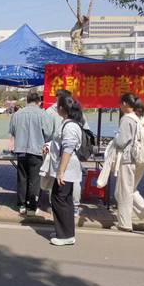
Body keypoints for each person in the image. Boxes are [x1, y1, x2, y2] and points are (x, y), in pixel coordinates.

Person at [113, 93, 144, 232]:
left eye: (120, 103)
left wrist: (115, 138)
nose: (120, 106)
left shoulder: (127, 119)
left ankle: (125, 223)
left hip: (128, 159)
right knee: (128, 190)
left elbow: (121, 142)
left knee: (123, 192)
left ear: (125, 103)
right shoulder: (142, 119)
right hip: (140, 159)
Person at [45, 95, 84, 246]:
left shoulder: (70, 126)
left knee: (60, 199)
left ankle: (65, 235)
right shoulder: (68, 123)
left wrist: (61, 172)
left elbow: (68, 149)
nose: (56, 108)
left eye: (57, 106)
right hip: (65, 168)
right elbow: (60, 145)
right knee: (63, 199)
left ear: (62, 108)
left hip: (66, 169)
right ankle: (65, 232)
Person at [44, 89, 89, 217]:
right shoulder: (78, 113)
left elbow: (47, 133)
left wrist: (49, 144)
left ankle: (58, 210)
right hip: (75, 155)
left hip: (60, 156)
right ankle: (74, 206)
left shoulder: (50, 112)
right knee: (74, 182)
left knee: (58, 185)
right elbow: (86, 130)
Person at [9, 91, 50, 216]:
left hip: (21, 150)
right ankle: (32, 206)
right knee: (34, 180)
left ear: (27, 100)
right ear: (39, 102)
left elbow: (12, 131)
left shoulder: (17, 114)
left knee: (22, 178)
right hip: (36, 151)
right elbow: (48, 133)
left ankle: (22, 205)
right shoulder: (42, 114)